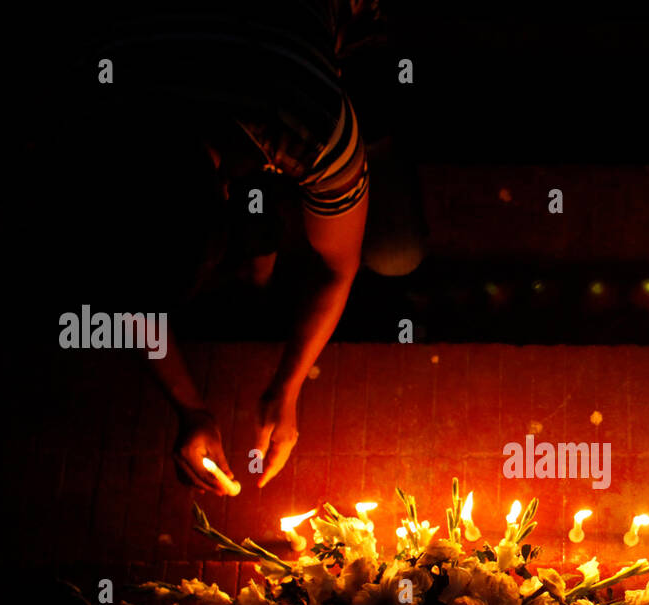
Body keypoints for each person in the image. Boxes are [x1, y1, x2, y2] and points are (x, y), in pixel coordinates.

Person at [59, 0, 421, 493]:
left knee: (394, 247)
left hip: (326, 34)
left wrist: (288, 387)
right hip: (218, 71)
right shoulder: (91, 118)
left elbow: (338, 267)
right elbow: (130, 284)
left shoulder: (313, 124)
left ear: (226, 191)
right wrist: (191, 408)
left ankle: (376, 130)